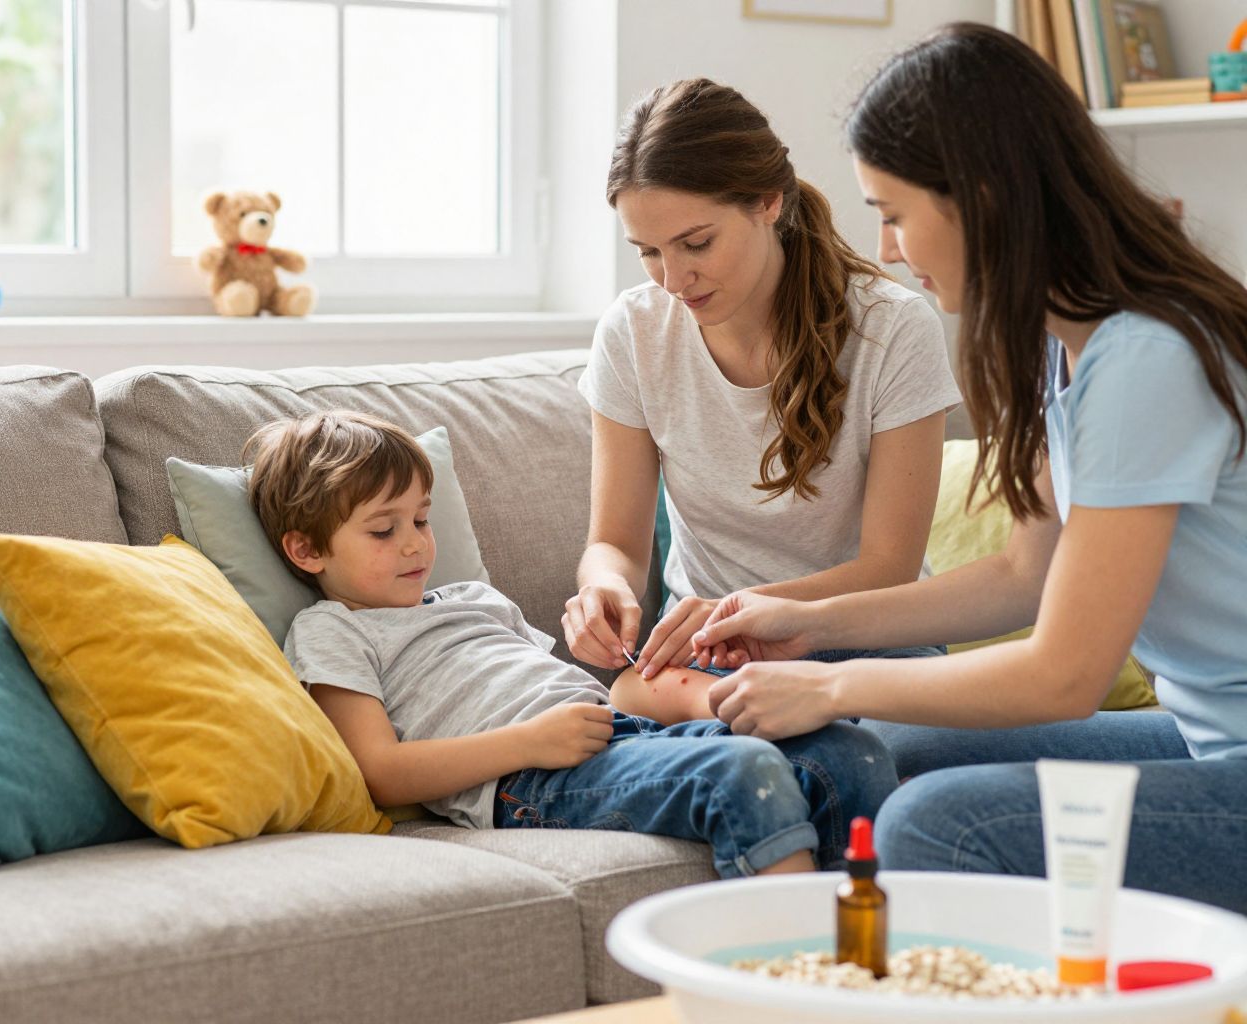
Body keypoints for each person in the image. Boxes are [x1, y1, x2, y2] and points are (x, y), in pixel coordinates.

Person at [691, 23, 1247, 914]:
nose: (889, 247)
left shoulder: (1147, 357)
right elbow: (1025, 576)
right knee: (897, 755)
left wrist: (829, 681)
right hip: (1205, 738)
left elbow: (1065, 671)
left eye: (896, 212)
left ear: (982, 199)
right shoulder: (1054, 346)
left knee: (940, 826)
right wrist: (810, 622)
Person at [244, 409, 899, 877]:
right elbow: (379, 773)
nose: (416, 543)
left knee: (846, 752)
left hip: (617, 736)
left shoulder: (476, 597)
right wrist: (529, 743)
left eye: (420, 518)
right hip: (529, 777)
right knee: (745, 772)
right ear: (306, 550)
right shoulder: (331, 629)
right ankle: (797, 972)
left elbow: (575, 685)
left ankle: (872, 951)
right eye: (383, 531)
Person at [564, 77, 962, 726]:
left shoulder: (890, 328)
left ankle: (764, 740)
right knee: (628, 694)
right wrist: (601, 586)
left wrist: (744, 606)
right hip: (709, 657)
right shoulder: (632, 332)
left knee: (889, 751)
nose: (673, 279)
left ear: (768, 202)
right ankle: (753, 733)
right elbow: (614, 541)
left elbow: (888, 566)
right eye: (648, 253)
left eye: (696, 243)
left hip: (872, 647)